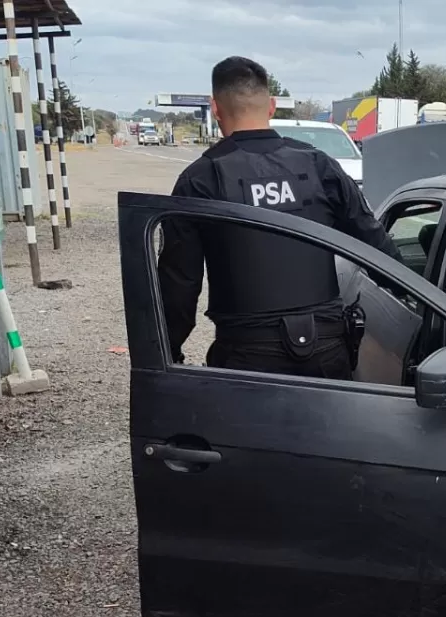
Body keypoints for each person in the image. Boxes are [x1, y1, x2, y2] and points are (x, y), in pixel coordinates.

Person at [158, 56, 403, 379]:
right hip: (327, 351)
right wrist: (417, 301)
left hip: (246, 356)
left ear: (215, 108)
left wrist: (165, 350)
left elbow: (180, 283)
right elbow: (374, 242)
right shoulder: (318, 166)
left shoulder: (201, 179)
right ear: (271, 106)